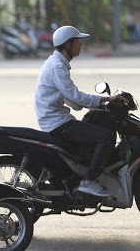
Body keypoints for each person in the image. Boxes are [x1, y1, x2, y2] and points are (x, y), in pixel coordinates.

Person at [34, 25, 126, 197]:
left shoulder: (57, 63)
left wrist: (96, 105)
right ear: (68, 44)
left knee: (95, 120)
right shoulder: (58, 67)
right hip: (58, 124)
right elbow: (74, 96)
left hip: (56, 119)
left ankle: (84, 171)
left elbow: (71, 98)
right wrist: (106, 99)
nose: (81, 45)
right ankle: (90, 181)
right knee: (105, 137)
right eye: (78, 41)